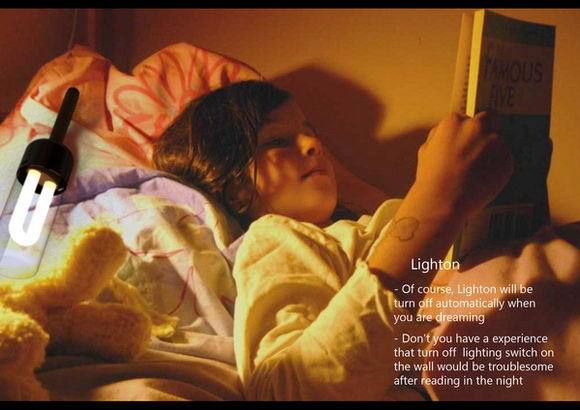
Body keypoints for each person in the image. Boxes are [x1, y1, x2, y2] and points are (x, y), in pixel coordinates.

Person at [152, 80, 514, 400]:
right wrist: (434, 202)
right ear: (234, 189)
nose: (313, 143)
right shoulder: (276, 237)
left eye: (309, 131)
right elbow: (283, 391)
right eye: (277, 141)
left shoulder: (359, 228)